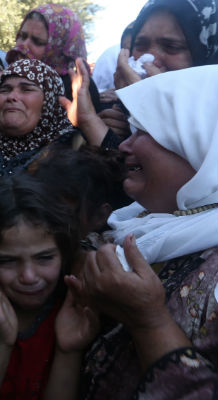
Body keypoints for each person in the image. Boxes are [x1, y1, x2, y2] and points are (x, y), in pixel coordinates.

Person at [76, 65, 218, 399]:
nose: (124, 146)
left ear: (199, 145)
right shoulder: (136, 222)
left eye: (143, 132)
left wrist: (150, 322)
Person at [0, 173, 98, 400]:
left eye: (44, 258)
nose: (28, 277)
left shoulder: (75, 311)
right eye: (7, 261)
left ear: (64, 253)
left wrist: (69, 350)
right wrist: (1, 344)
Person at [79, 0, 218, 147]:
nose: (149, 60)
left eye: (171, 46)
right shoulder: (120, 112)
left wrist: (151, 109)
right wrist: (123, 130)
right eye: (140, 44)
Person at [0, 59, 79, 185]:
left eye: (26, 89)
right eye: (5, 89)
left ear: (50, 99)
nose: (11, 96)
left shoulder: (72, 152)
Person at [6, 3, 102, 112]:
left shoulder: (79, 91)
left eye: (37, 42)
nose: (23, 46)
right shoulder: (9, 78)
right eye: (22, 36)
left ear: (60, 49)